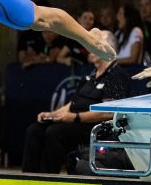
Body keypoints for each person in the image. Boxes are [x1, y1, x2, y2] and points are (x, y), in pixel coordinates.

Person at [22, 32, 130, 173]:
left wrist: (74, 117)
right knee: (35, 130)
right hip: (75, 121)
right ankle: (27, 180)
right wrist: (52, 114)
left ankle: (47, 181)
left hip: (96, 127)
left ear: (108, 48)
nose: (89, 46)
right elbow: (72, 104)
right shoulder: (89, 76)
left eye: (94, 43)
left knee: (54, 132)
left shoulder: (117, 76)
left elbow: (108, 113)